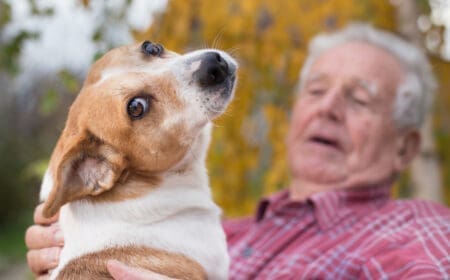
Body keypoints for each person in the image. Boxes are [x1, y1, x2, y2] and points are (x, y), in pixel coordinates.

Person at [25, 23, 450, 279]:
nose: (328, 108)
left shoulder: (418, 232)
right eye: (316, 90)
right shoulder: (226, 230)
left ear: (405, 147)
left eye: (359, 99)